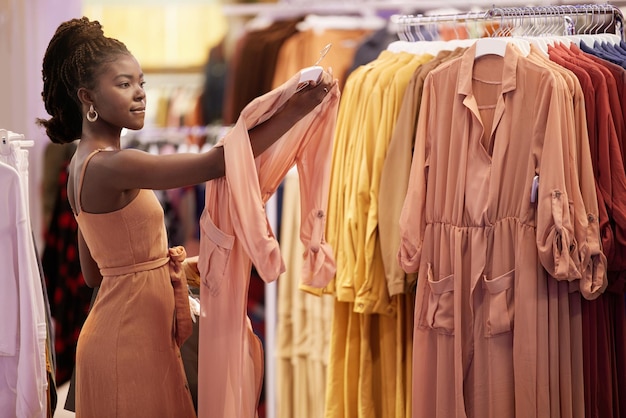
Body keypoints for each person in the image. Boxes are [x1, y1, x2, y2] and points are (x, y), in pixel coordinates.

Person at [37, 16, 335, 418]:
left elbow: (96, 273)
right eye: (124, 84)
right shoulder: (114, 165)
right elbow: (216, 162)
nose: (140, 94)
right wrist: (295, 108)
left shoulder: (80, 166)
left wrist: (168, 267)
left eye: (141, 82)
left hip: (125, 335)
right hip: (130, 345)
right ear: (87, 97)